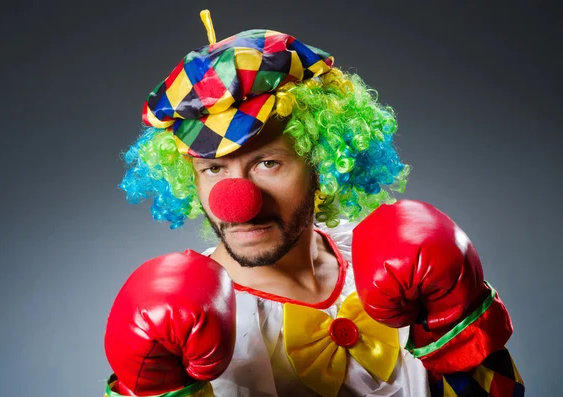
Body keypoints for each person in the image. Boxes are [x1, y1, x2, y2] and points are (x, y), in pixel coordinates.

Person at [103, 10, 524, 397]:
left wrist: (458, 325)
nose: (237, 202)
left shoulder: (395, 267)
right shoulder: (179, 322)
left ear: (320, 160)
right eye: (214, 169)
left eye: (267, 163)